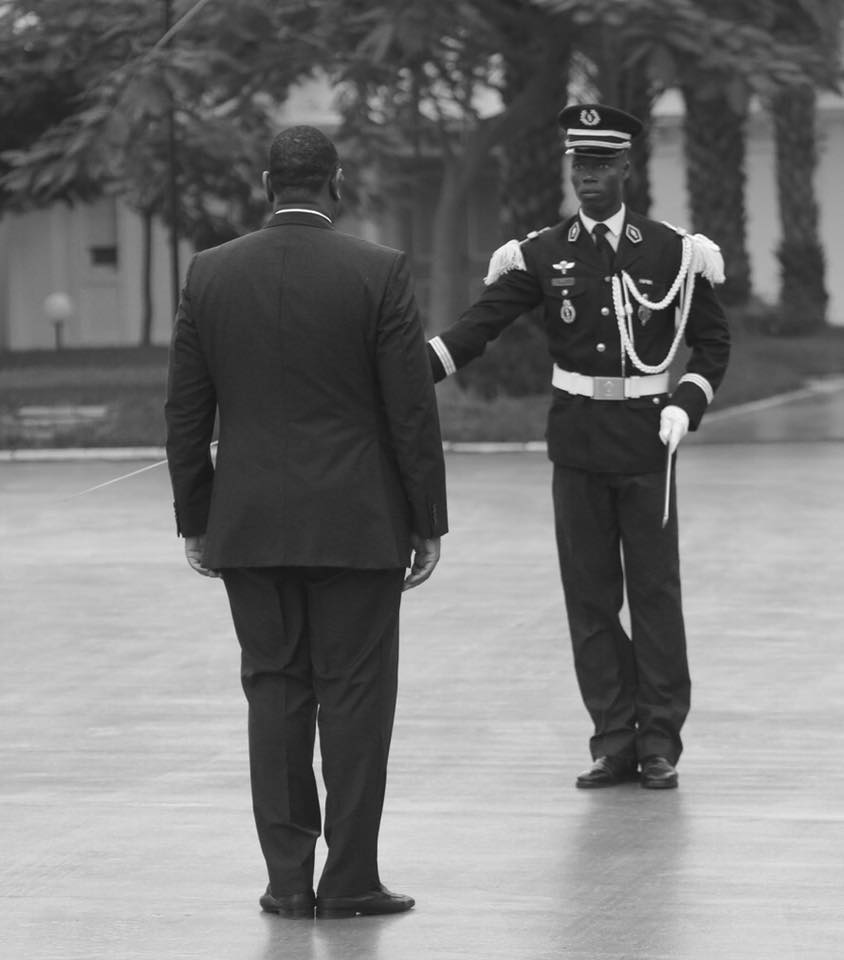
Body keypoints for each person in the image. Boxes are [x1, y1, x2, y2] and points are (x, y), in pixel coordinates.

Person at [165, 125, 448, 918]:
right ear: (337, 182)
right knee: (354, 699)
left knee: (275, 693)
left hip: (249, 523)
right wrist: (427, 519)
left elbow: (186, 411)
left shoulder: (209, 274)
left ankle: (287, 881)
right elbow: (409, 408)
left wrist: (197, 515)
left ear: (266, 183)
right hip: (359, 526)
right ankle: (351, 878)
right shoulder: (378, 271)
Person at [427, 104, 729, 791]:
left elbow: (713, 344)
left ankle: (660, 742)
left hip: (650, 439)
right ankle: (613, 738)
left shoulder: (675, 252)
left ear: (627, 168)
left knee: (654, 595)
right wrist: (410, 367)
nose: (586, 178)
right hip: (578, 442)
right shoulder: (542, 253)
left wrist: (688, 402)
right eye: (578, 165)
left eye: (599, 165)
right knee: (590, 599)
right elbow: (480, 327)